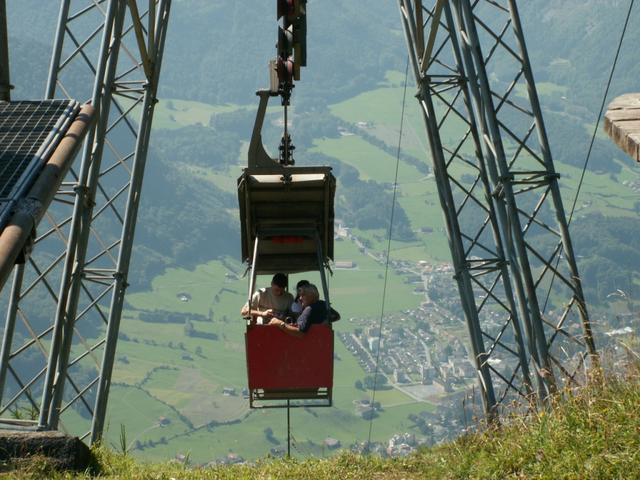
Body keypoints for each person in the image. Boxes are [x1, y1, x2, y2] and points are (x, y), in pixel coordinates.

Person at [269, 283, 340, 336]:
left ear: (311, 296)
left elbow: (300, 333)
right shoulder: (323, 304)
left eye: (303, 295)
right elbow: (336, 316)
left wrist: (279, 323)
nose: (300, 298)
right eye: (300, 295)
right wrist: (324, 322)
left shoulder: (309, 309)